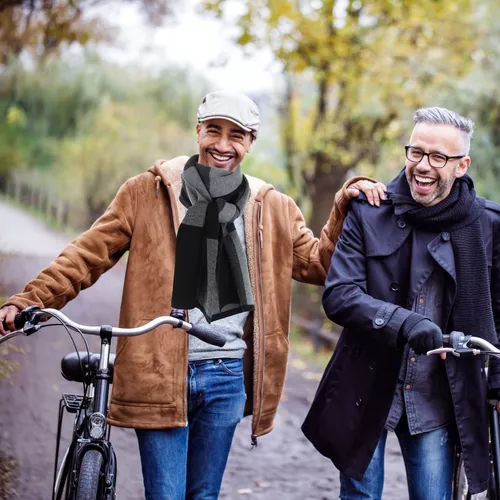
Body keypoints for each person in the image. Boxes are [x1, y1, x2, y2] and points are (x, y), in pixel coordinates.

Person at [0, 90, 385, 500]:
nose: (222, 144)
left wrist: (343, 206)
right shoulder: (147, 192)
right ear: (197, 130)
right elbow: (86, 254)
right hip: (161, 368)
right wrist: (30, 299)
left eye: (236, 135)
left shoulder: (272, 207)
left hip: (226, 374)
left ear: (251, 141)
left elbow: (320, 264)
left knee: (203, 496)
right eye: (213, 130)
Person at [302, 106, 500, 500]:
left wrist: (495, 384)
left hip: (438, 396)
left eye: (438, 157)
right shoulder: (369, 210)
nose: (423, 166)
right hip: (366, 382)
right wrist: (404, 322)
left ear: (462, 165)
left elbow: (497, 310)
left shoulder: (488, 224)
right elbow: (339, 294)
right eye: (416, 152)